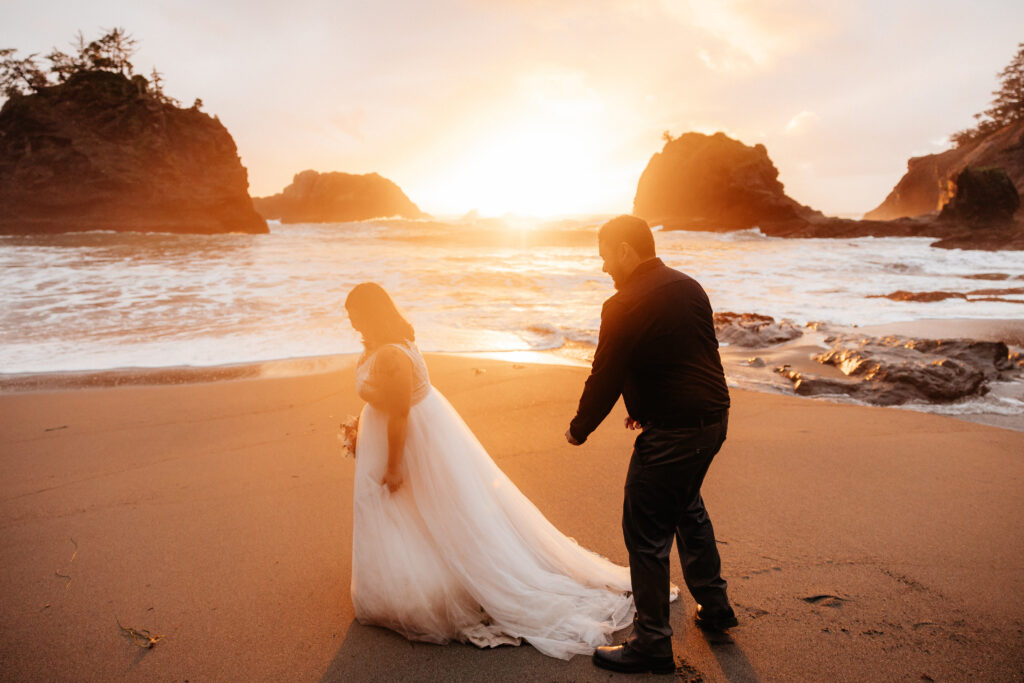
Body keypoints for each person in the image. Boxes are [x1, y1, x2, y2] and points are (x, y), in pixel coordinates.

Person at [345, 282, 662, 660]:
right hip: (418, 435)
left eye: (354, 315)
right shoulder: (393, 346)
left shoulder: (392, 356)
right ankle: (414, 577)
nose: (351, 322)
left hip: (410, 444)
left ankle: (425, 587)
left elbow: (398, 413)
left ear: (371, 313)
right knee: (420, 513)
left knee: (413, 507)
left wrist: (394, 465)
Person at [565, 215, 736, 675]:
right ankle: (716, 607)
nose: (604, 267)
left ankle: (653, 643)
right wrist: (647, 402)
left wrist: (579, 427)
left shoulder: (622, 303)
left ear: (624, 249)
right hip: (713, 420)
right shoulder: (688, 286)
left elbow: (605, 376)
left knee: (645, 532)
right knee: (686, 508)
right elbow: (685, 355)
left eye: (604, 255)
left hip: (674, 432)